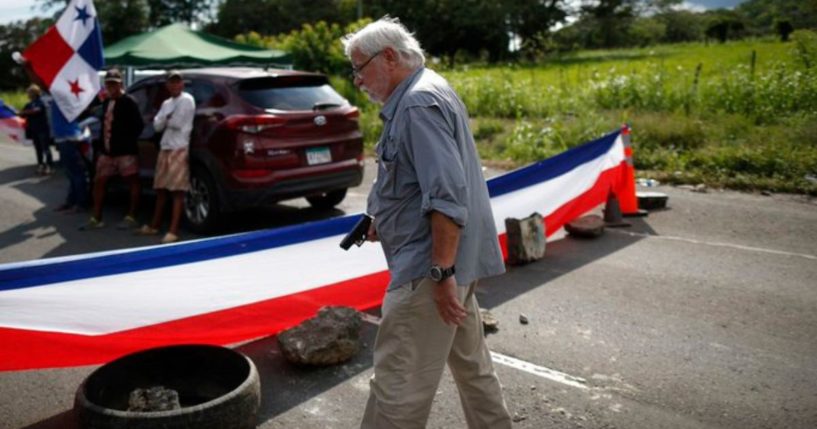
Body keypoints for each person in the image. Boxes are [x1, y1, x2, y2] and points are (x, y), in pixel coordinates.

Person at [342, 17, 513, 429]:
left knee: (398, 388)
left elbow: (447, 198)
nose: (357, 81)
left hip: (429, 272)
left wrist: (440, 271)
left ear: (388, 57)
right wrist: (383, 217)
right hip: (451, 265)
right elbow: (420, 182)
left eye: (359, 68)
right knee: (474, 371)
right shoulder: (424, 90)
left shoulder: (417, 104)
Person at [81, 68, 144, 230]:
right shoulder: (107, 102)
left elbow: (138, 126)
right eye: (109, 84)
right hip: (107, 152)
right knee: (99, 181)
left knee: (132, 181)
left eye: (114, 84)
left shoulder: (129, 101)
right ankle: (96, 217)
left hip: (125, 151)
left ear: (121, 84)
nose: (111, 87)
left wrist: (125, 140)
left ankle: (131, 216)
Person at [137, 70, 195, 244]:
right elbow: (156, 126)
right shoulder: (167, 103)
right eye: (171, 82)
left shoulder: (187, 99)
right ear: (167, 85)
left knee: (177, 191)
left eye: (177, 81)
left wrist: (165, 119)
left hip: (179, 148)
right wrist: (166, 119)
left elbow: (176, 123)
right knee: (161, 188)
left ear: (182, 84)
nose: (175, 85)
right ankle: (155, 225)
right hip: (165, 147)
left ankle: (173, 230)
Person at [19, 84, 54, 175]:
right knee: (38, 149)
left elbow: (37, 110)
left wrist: (24, 112)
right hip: (33, 129)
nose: (28, 94)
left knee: (45, 148)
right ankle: (40, 165)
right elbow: (22, 114)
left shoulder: (41, 101)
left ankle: (49, 166)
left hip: (42, 129)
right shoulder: (29, 104)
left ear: (35, 93)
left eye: (29, 92)